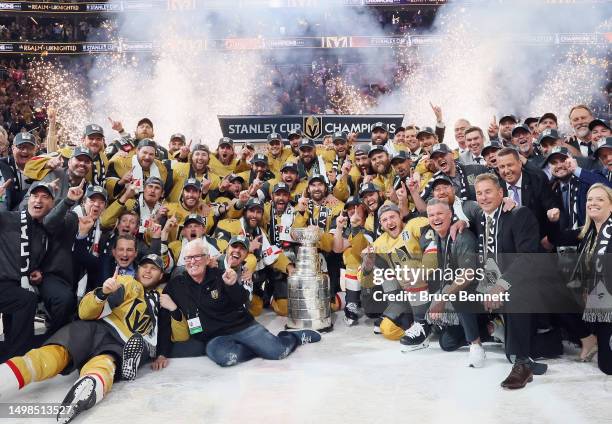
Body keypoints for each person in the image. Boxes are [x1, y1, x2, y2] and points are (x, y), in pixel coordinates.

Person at [0, 254, 167, 423]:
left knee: (106, 361)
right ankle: (5, 377)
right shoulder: (128, 283)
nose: (147, 271)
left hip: (122, 343)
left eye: (153, 268)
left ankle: (89, 385)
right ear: (137, 269)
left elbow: (170, 334)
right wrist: (103, 294)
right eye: (144, 266)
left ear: (161, 275)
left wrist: (172, 314)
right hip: (96, 328)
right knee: (56, 352)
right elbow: (85, 312)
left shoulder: (162, 301)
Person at [154, 239, 320, 368]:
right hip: (214, 338)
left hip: (241, 327)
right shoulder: (176, 285)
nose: (193, 261)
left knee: (278, 352)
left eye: (197, 256)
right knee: (226, 358)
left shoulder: (222, 275)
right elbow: (164, 318)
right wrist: (161, 352)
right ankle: (260, 347)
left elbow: (241, 300)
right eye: (188, 258)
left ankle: (292, 337)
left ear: (207, 259)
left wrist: (233, 285)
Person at [0, 181, 80, 362]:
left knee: (24, 300)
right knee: (25, 300)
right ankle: (17, 356)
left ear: (52, 204)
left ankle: (17, 354)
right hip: (5, 284)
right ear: (27, 200)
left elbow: (29, 258)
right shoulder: (8, 218)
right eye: (35, 196)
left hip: (15, 286)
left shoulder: (43, 231)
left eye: (45, 197)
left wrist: (34, 271)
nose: (39, 200)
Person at [549, 184, 612, 374]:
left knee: (607, 367)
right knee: (551, 291)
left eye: (600, 199)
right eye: (590, 199)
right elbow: (557, 238)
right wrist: (554, 221)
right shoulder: (586, 232)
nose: (593, 203)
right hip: (591, 302)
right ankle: (587, 338)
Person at [424, 199, 486, 367]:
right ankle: (491, 329)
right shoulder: (438, 236)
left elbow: (468, 274)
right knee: (447, 343)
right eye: (431, 215)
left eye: (439, 213)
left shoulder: (462, 236)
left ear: (451, 214)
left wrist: (443, 298)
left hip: (482, 291)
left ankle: (476, 345)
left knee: (458, 294)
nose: (435, 218)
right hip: (464, 295)